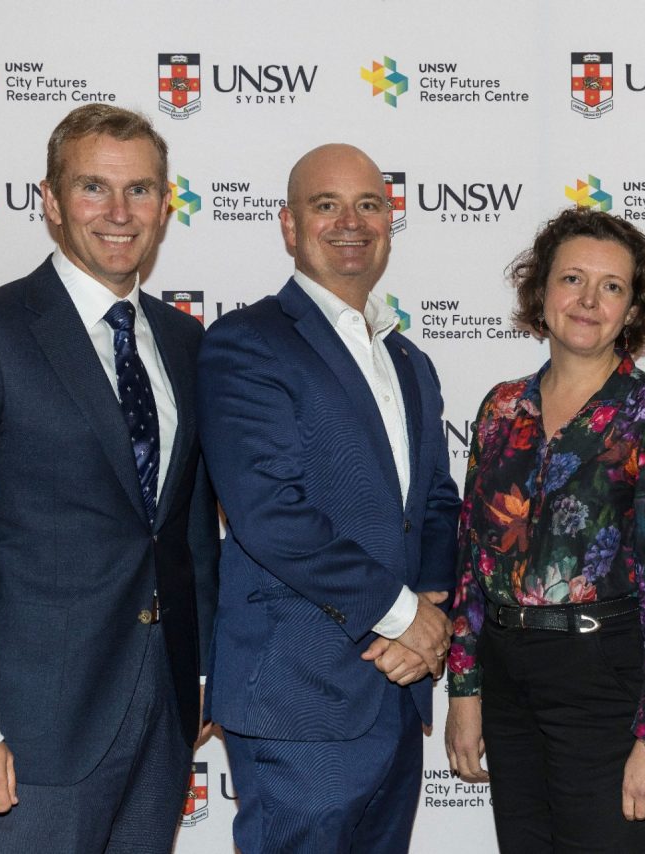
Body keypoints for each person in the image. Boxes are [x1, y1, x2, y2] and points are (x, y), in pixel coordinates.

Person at [0, 104, 219, 852]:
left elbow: (187, 530)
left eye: (140, 190)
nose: (120, 212)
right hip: (29, 730)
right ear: (49, 201)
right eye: (93, 188)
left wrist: (204, 670)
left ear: (165, 205)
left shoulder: (185, 340)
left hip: (164, 712)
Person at [197, 143, 460, 854]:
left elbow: (436, 500)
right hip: (299, 698)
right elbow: (269, 513)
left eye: (368, 204)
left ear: (389, 222)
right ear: (290, 225)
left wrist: (429, 612)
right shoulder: (246, 343)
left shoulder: (408, 361)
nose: (351, 221)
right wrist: (403, 617)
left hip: (396, 690)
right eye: (326, 205)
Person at [444, 208, 645, 853]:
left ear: (633, 310)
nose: (589, 300)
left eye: (611, 286)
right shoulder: (501, 407)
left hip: (606, 682)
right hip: (508, 680)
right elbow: (472, 561)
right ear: (541, 290)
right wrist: (465, 691)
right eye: (572, 279)